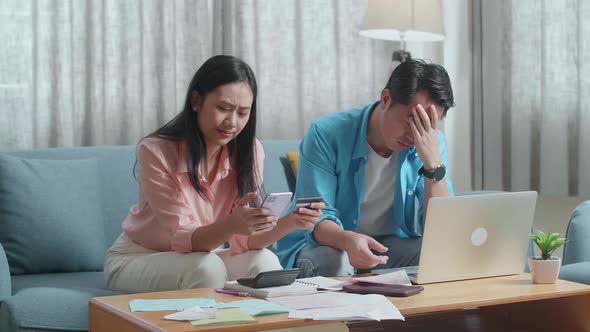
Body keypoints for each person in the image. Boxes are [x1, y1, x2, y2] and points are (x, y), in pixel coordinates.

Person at [104, 55, 325, 293]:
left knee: (264, 262)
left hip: (201, 256)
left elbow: (245, 241)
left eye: (243, 113)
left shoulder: (250, 151)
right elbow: (185, 238)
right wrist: (231, 225)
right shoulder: (156, 151)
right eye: (223, 108)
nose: (231, 122)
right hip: (138, 258)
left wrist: (291, 222)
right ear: (196, 100)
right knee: (207, 268)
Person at [276, 59, 455, 277]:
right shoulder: (326, 134)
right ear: (386, 99)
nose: (416, 135)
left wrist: (432, 166)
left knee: (440, 257)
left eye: (426, 124)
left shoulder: (430, 143)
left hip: (387, 247)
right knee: (333, 260)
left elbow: (443, 229)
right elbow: (318, 219)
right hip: (329, 243)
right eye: (412, 121)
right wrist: (349, 241)